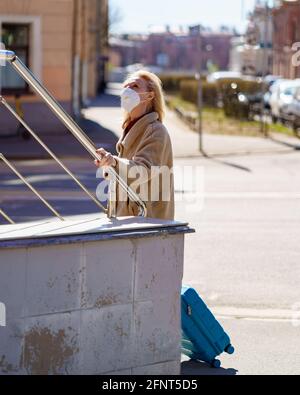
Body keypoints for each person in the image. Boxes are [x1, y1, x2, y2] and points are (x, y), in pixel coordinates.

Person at [94, 70, 174, 220]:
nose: (127, 90)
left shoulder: (155, 130)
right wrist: (108, 165)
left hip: (147, 220)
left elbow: (144, 170)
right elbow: (126, 171)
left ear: (150, 95)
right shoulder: (131, 127)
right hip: (130, 217)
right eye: (126, 86)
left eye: (135, 86)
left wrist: (115, 162)